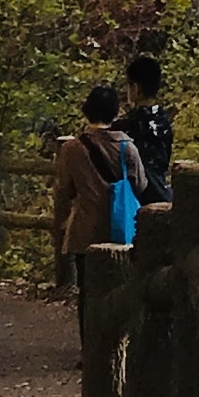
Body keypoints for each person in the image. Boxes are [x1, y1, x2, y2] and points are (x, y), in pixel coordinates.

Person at [50, 82, 146, 290]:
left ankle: (87, 324)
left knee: (87, 291)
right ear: (114, 113)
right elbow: (140, 185)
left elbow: (63, 190)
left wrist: (62, 223)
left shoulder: (71, 149)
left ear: (87, 111)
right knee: (119, 292)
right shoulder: (127, 148)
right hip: (120, 230)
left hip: (84, 231)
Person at [119, 51, 174, 206]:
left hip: (137, 200)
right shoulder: (164, 122)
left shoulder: (128, 127)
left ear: (135, 88)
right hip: (162, 194)